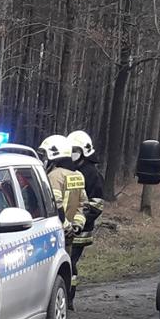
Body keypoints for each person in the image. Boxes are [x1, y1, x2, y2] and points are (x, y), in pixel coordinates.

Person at [41, 134, 87, 308]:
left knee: (51, 271)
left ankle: (55, 304)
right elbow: (84, 204)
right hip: (69, 234)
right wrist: (77, 225)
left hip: (56, 231)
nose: (44, 159)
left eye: (45, 155)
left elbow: (56, 204)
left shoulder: (54, 176)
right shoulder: (78, 175)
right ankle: (67, 300)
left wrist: (65, 225)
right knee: (67, 267)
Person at [66, 130, 108, 270]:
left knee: (70, 266)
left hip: (79, 232)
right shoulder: (70, 171)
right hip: (66, 230)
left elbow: (96, 205)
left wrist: (77, 220)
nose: (71, 154)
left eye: (75, 150)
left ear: (84, 152)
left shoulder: (92, 174)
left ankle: (70, 290)